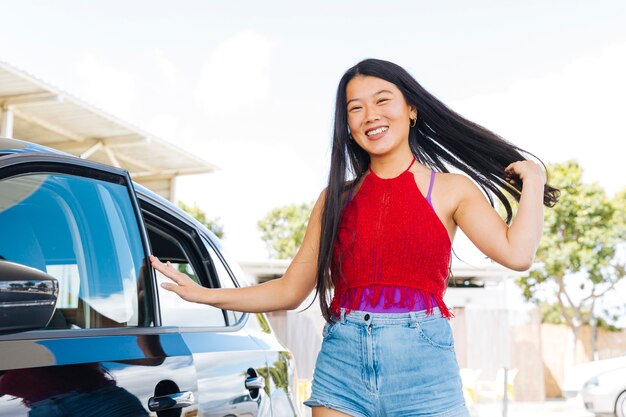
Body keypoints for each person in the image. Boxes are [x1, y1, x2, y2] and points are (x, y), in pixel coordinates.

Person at [151, 58, 559, 417]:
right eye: (355, 108)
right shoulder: (335, 199)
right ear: (347, 125)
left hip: (423, 366)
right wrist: (205, 294)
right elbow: (291, 290)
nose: (370, 115)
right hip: (342, 365)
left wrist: (535, 179)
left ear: (411, 109)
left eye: (383, 100)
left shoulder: (451, 189)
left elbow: (517, 253)